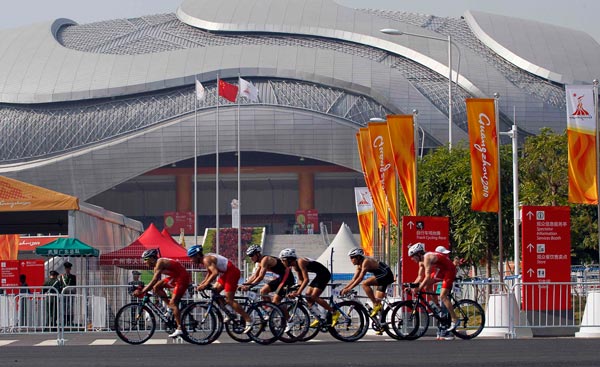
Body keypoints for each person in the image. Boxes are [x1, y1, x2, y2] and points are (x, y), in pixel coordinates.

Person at [187, 245, 253, 334]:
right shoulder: (205, 259)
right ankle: (229, 312)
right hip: (226, 273)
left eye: (192, 257)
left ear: (197, 255)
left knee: (229, 299)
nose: (191, 260)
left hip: (232, 273)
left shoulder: (206, 260)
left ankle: (248, 319)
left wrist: (205, 284)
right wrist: (202, 284)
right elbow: (209, 273)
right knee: (215, 291)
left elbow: (215, 273)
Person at [132, 248, 191, 338]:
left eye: (145, 259)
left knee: (173, 303)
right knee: (157, 287)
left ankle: (180, 328)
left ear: (152, 258)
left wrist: (143, 291)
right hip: (176, 277)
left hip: (182, 278)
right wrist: (144, 289)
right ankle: (169, 307)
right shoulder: (156, 267)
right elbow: (154, 283)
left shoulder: (160, 262)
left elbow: (155, 279)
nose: (144, 262)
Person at [278, 248, 340, 328]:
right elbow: (301, 280)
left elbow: (306, 280)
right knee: (308, 296)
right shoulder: (295, 267)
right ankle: (319, 316)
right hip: (319, 275)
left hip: (324, 274)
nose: (282, 262)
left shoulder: (300, 262)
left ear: (289, 259)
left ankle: (334, 312)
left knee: (314, 296)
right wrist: (296, 291)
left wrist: (298, 292)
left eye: (283, 260)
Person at [408, 242, 459, 332]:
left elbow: (427, 276)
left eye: (413, 256)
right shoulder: (421, 262)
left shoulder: (427, 257)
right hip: (442, 270)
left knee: (443, 296)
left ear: (419, 254)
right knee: (427, 286)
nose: (412, 259)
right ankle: (438, 308)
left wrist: (418, 288)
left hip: (449, 270)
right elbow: (420, 277)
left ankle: (455, 319)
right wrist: (412, 286)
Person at [340, 248, 395, 318]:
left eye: (352, 258)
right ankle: (382, 323)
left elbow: (360, 278)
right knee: (378, 302)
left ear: (358, 257)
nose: (351, 260)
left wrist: (348, 289)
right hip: (381, 275)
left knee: (364, 284)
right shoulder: (359, 265)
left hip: (386, 274)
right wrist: (344, 288)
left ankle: (376, 304)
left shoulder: (366, 262)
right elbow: (354, 279)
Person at [60, 261, 77, 327]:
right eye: (66, 268)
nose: (67, 269)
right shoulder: (62, 277)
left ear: (70, 269)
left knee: (70, 308)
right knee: (64, 308)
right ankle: (64, 321)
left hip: (70, 294)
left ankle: (70, 321)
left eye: (68, 268)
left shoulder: (73, 277)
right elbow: (61, 285)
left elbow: (74, 285)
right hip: (64, 294)